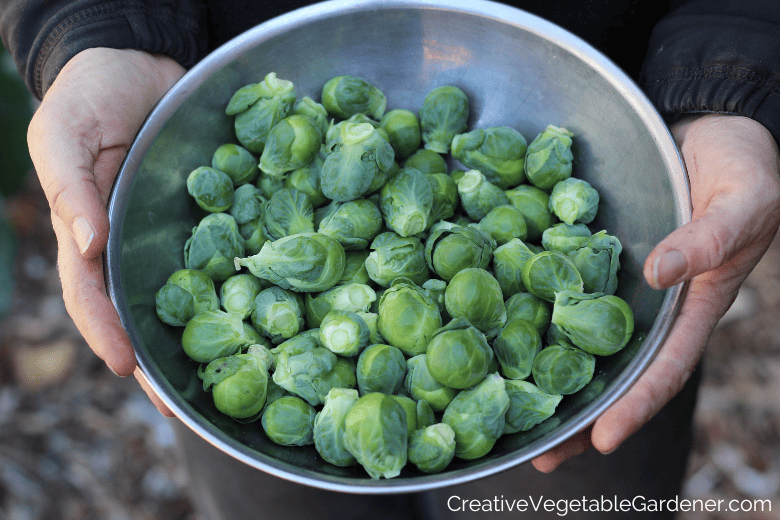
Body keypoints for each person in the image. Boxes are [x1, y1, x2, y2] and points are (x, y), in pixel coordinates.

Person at [2, 0, 779, 518]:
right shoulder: (277, 302)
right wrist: (91, 26)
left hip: (625, 71)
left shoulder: (491, 246)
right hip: (201, 48)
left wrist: (735, 84)